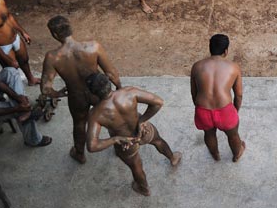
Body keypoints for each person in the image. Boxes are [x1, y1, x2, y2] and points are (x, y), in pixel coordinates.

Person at [40, 15, 121, 164]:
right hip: (98, 91)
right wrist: (119, 89)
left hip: (76, 96)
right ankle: (119, 146)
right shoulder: (93, 46)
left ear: (55, 35)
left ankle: (79, 153)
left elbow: (45, 89)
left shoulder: (52, 57)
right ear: (71, 29)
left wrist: (57, 93)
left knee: (79, 124)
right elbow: (111, 74)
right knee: (110, 116)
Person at [85, 73, 181, 196]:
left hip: (126, 143)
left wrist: (115, 139)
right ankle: (172, 158)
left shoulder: (95, 114)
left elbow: (92, 146)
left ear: (93, 92)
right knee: (158, 141)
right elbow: (158, 102)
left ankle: (144, 188)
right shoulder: (129, 92)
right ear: (109, 81)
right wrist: (142, 121)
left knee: (136, 166)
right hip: (143, 130)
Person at [190, 34, 245, 162]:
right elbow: (239, 95)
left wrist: (199, 108)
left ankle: (215, 155)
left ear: (210, 48)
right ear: (226, 51)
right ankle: (237, 154)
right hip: (225, 110)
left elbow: (194, 92)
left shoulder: (197, 66)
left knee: (209, 134)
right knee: (233, 135)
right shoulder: (234, 67)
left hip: (203, 109)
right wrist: (235, 110)